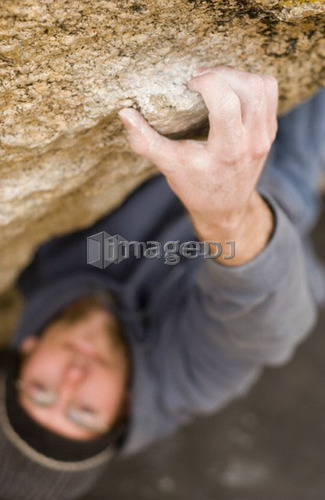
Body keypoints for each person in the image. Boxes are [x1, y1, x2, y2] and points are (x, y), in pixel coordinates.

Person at [0, 67, 324, 500]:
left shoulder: (35, 277)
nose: (73, 377)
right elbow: (266, 326)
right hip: (281, 164)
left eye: (41, 390)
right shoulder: (186, 380)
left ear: (25, 353)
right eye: (84, 411)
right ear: (125, 407)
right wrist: (228, 217)